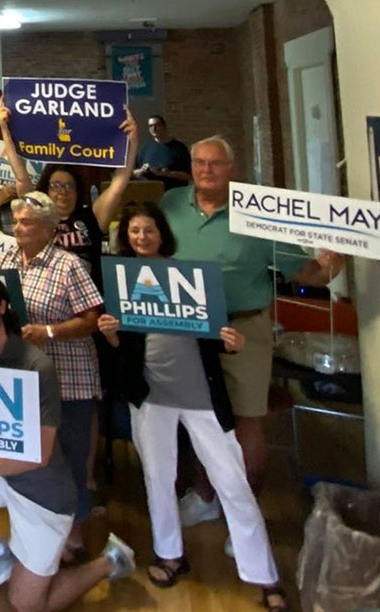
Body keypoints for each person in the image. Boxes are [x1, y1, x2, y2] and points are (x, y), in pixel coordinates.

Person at [96, 202, 287, 612]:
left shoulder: (189, 274)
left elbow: (212, 331)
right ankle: (169, 555)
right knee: (158, 478)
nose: (142, 237)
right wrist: (111, 335)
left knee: (232, 483)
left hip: (200, 395)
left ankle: (264, 575)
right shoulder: (121, 280)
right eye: (134, 231)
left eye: (148, 230)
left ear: (162, 233)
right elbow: (120, 352)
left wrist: (231, 341)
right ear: (124, 237)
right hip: (150, 397)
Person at [0, 270, 135, 609]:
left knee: (28, 606)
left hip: (42, 492)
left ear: (3, 306)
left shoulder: (38, 365)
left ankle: (111, 560)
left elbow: (40, 456)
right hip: (4, 478)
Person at [159, 135, 343, 528]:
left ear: (233, 169)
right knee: (198, 418)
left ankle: (244, 514)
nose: (205, 170)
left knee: (246, 422)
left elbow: (309, 272)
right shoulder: (172, 203)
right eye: (199, 162)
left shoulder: (259, 213)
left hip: (244, 327)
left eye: (215, 163)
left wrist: (333, 260)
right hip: (188, 329)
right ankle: (205, 495)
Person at [0, 192, 104, 564]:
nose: (18, 228)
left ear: (48, 228)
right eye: (16, 222)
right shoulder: (8, 259)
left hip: (68, 379)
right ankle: (31, 531)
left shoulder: (69, 265)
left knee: (71, 459)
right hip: (23, 380)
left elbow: (92, 320)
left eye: (26, 222)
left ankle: (74, 536)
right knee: (30, 460)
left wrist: (51, 332)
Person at [0, 102, 138, 281]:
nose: (62, 191)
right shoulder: (36, 213)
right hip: (47, 297)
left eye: (69, 186)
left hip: (87, 299)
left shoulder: (92, 216)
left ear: (78, 191)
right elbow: (21, 177)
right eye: (56, 185)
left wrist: (132, 140)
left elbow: (118, 185)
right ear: (46, 190)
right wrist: (5, 129)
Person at [134, 115, 192, 190]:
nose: (154, 129)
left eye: (157, 125)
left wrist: (168, 174)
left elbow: (188, 176)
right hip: (150, 195)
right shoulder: (145, 148)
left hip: (173, 194)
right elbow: (134, 173)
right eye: (150, 126)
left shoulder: (179, 148)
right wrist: (142, 170)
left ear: (164, 126)